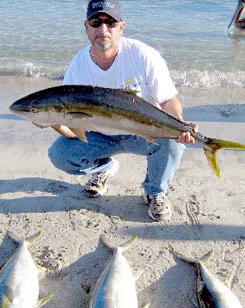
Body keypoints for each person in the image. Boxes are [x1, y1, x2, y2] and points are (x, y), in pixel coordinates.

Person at [42, 0, 198, 222]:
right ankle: (103, 168)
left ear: (121, 27)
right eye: (96, 22)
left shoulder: (144, 55)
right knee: (60, 154)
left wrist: (179, 123)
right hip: (99, 136)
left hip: (141, 133)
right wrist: (52, 121)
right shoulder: (77, 67)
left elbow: (168, 99)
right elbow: (71, 130)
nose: (103, 30)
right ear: (86, 26)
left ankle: (155, 191)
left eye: (110, 22)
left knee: (173, 140)